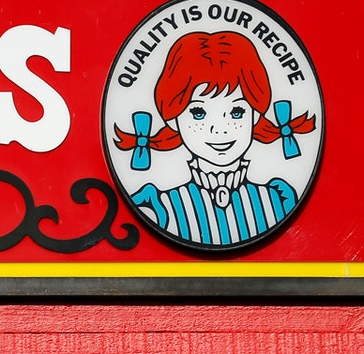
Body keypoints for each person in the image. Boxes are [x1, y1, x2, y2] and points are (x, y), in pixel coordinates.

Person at [113, 30, 316, 248]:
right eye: (198, 113)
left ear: (256, 114)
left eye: (237, 111)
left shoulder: (277, 200)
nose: (219, 129)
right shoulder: (160, 207)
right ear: (173, 119)